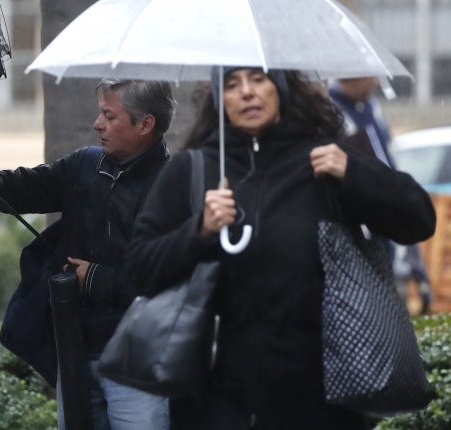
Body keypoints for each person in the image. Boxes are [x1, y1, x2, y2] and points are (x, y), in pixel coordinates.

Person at [125, 68, 436, 430]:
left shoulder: (325, 160)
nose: (246, 93)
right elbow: (139, 271)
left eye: (258, 79)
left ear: (282, 90)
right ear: (219, 99)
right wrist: (198, 231)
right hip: (217, 405)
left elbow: (418, 221)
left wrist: (356, 172)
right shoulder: (192, 169)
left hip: (321, 404)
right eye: (231, 84)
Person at [0, 79, 175, 430]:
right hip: (74, 352)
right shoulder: (84, 166)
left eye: (108, 115)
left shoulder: (175, 186)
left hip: (139, 361)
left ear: (146, 124)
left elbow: (172, 281)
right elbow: (12, 190)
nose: (96, 123)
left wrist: (98, 280)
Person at [329, 77, 432, 314]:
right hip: (362, 248)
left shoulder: (372, 108)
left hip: (394, 236)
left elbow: (388, 165)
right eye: (370, 74)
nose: (376, 80)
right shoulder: (331, 111)